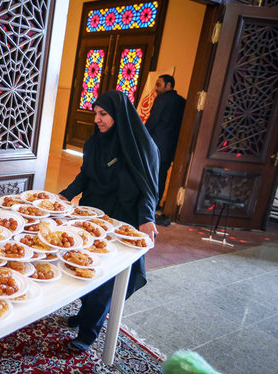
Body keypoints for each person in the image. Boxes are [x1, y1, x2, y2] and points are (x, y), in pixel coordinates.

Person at [59, 90, 159, 351]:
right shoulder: (95, 143)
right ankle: (84, 313)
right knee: (84, 266)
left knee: (105, 276)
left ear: (119, 115)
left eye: (103, 114)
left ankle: (88, 332)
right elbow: (85, 175)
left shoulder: (141, 146)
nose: (97, 120)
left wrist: (147, 218)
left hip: (122, 219)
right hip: (92, 214)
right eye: (95, 114)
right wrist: (64, 196)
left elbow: (148, 187)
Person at [145, 74, 186, 224]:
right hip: (171, 146)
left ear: (169, 85)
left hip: (156, 145)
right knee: (161, 176)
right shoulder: (182, 101)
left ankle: (148, 204)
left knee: (151, 175)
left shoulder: (161, 100)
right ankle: (156, 204)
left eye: (158, 85)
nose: (156, 88)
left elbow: (153, 121)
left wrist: (142, 135)